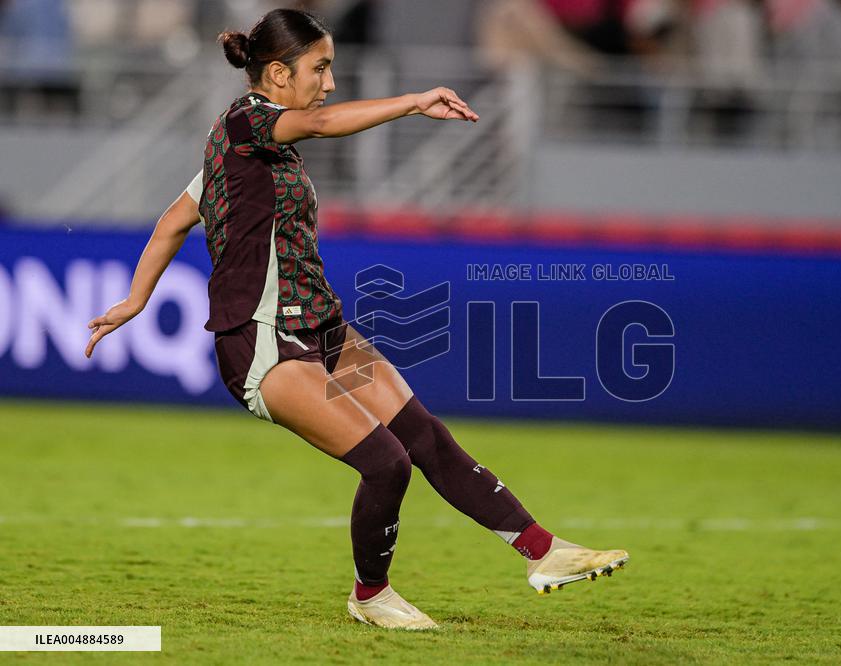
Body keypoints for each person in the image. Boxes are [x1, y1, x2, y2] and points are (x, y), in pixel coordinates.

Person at [83, 8, 628, 630]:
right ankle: (371, 596)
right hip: (264, 340)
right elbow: (319, 123)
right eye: (320, 68)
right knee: (386, 461)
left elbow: (175, 220)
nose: (330, 82)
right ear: (278, 74)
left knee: (425, 437)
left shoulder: (246, 151)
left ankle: (543, 551)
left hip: (322, 329)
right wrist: (412, 102)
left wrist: (136, 298)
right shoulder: (243, 121)